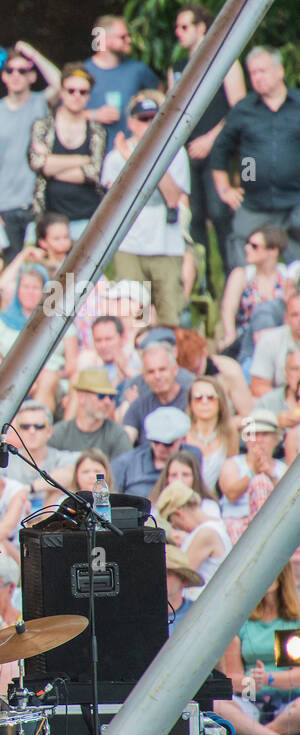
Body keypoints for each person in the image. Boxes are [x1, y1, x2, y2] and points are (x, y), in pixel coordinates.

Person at [168, 3, 247, 278]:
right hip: (187, 152)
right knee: (194, 219)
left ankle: (232, 279)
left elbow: (239, 108)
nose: (178, 32)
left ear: (202, 27)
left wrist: (210, 140)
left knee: (221, 214)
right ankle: (204, 290)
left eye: (184, 26)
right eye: (177, 27)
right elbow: (171, 113)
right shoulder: (177, 67)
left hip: (219, 152)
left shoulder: (225, 60)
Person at [102, 91, 190, 328]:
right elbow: (116, 204)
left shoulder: (176, 152)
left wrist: (139, 158)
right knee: (134, 318)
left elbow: (173, 198)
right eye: (143, 119)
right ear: (130, 122)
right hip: (129, 245)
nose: (149, 124)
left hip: (166, 245)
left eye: (154, 118)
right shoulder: (114, 158)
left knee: (170, 316)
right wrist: (130, 159)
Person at [209, 47, 300, 271]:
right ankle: (243, 301)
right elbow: (220, 150)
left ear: (279, 71)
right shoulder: (244, 109)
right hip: (254, 202)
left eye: (263, 71)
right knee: (241, 255)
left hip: (295, 201)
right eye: (253, 73)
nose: (257, 77)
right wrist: (224, 190)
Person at [0, 43, 57, 254]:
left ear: (32, 76)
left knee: (41, 264)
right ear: (3, 76)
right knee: (12, 265)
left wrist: (33, 54)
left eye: (22, 70)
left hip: (40, 201)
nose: (15, 75)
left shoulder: (40, 102)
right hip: (6, 203)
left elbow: (61, 83)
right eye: (10, 70)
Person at [214, 565, 300, 735]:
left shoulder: (292, 620)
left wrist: (268, 678)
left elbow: (296, 676)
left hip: (289, 702)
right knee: (218, 706)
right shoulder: (242, 621)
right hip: (251, 698)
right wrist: (253, 683)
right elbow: (232, 676)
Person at [29, 64, 106, 237]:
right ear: (62, 92)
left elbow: (94, 173)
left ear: (89, 96)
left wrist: (52, 165)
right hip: (48, 218)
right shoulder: (44, 126)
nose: (76, 96)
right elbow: (38, 163)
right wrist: (82, 159)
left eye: (83, 92)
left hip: (88, 217)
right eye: (71, 90)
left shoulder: (96, 130)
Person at [82, 15, 160, 151]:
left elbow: (160, 96)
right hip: (92, 154)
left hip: (132, 152)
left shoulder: (138, 70)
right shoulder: (84, 72)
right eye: (123, 37)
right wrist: (95, 115)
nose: (129, 40)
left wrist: (144, 103)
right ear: (104, 39)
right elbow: (63, 113)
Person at [220, 225, 288, 361]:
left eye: (254, 246)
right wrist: (229, 334)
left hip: (279, 335)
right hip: (246, 338)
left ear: (273, 251)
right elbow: (228, 309)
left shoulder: (286, 276)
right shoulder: (242, 275)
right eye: (247, 244)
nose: (247, 248)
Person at [218, 408, 284, 541]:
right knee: (259, 480)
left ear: (276, 439)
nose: (258, 440)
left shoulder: (283, 469)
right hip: (235, 523)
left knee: (262, 482)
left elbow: (291, 502)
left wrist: (271, 476)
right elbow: (231, 494)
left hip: (274, 528)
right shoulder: (233, 463)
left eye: (264, 434)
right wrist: (253, 472)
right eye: (254, 434)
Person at [156, 482, 229, 597]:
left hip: (203, 604)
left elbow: (180, 575)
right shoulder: (213, 526)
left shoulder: (206, 533)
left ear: (178, 514)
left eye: (172, 522)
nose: (175, 527)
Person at [112, 406, 197, 498]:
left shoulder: (194, 456)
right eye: (156, 442)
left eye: (167, 444)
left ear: (183, 439)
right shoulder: (126, 463)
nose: (160, 448)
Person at [50, 368, 132, 461]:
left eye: (111, 397)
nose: (107, 402)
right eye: (101, 396)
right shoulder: (59, 433)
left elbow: (122, 472)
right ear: (81, 397)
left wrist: (97, 475)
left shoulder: (118, 435)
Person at [123, 341, 191, 445]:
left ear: (175, 370)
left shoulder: (192, 401)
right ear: (144, 376)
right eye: (151, 372)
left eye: (162, 369)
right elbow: (126, 441)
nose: (157, 376)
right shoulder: (139, 406)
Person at [183, 375, 237, 492]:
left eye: (211, 397)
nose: (204, 402)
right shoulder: (183, 433)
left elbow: (233, 469)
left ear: (220, 401)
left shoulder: (230, 432)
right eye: (198, 398)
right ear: (190, 402)